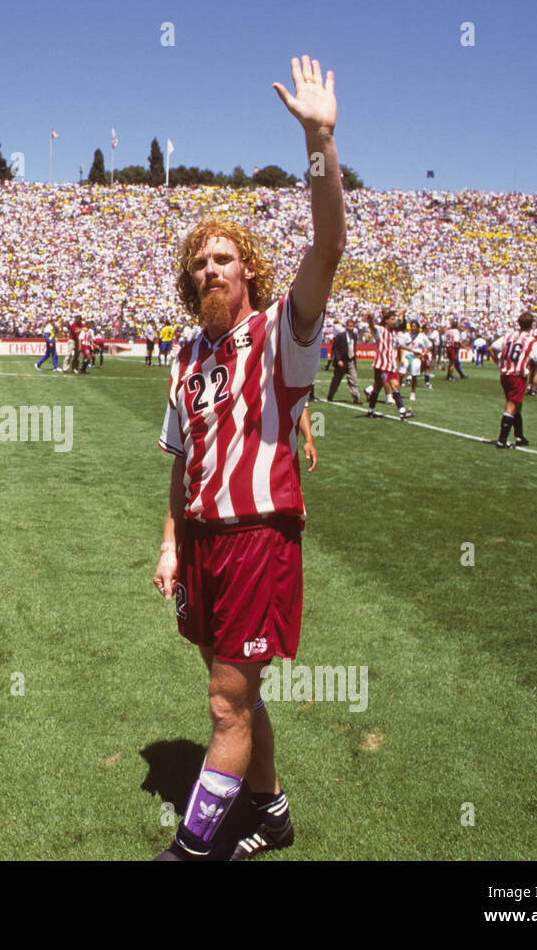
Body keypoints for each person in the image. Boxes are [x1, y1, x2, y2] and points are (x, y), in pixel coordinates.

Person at [152, 54, 345, 861]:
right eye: (199, 261)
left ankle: (193, 850)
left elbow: (329, 247)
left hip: (258, 536)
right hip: (201, 539)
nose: (210, 269)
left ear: (250, 271)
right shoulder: (185, 357)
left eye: (224, 258)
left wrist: (318, 144)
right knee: (240, 694)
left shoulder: (279, 336)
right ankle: (269, 811)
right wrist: (168, 538)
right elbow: (179, 457)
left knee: (227, 707)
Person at [490, 311, 537, 449]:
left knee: (517, 406)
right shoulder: (531, 340)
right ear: (531, 325)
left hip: (505, 374)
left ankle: (519, 436)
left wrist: (499, 364)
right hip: (517, 375)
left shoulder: (509, 335)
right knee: (512, 405)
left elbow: (492, 348)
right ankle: (502, 440)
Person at [364, 308, 413, 419]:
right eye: (392, 319)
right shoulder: (380, 330)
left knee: (388, 387)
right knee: (384, 386)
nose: (394, 321)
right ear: (386, 320)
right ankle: (401, 411)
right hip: (381, 365)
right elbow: (372, 327)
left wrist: (414, 351)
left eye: (394, 319)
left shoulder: (394, 334)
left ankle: (400, 411)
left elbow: (400, 345)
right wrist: (370, 320)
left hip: (391, 365)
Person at [326, 319, 359, 403]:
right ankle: (330, 396)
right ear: (346, 326)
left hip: (351, 360)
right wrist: (338, 360)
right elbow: (335, 349)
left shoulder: (355, 336)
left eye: (352, 326)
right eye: (350, 326)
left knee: (353, 379)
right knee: (336, 380)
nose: (351, 328)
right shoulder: (340, 336)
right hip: (341, 361)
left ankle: (356, 398)